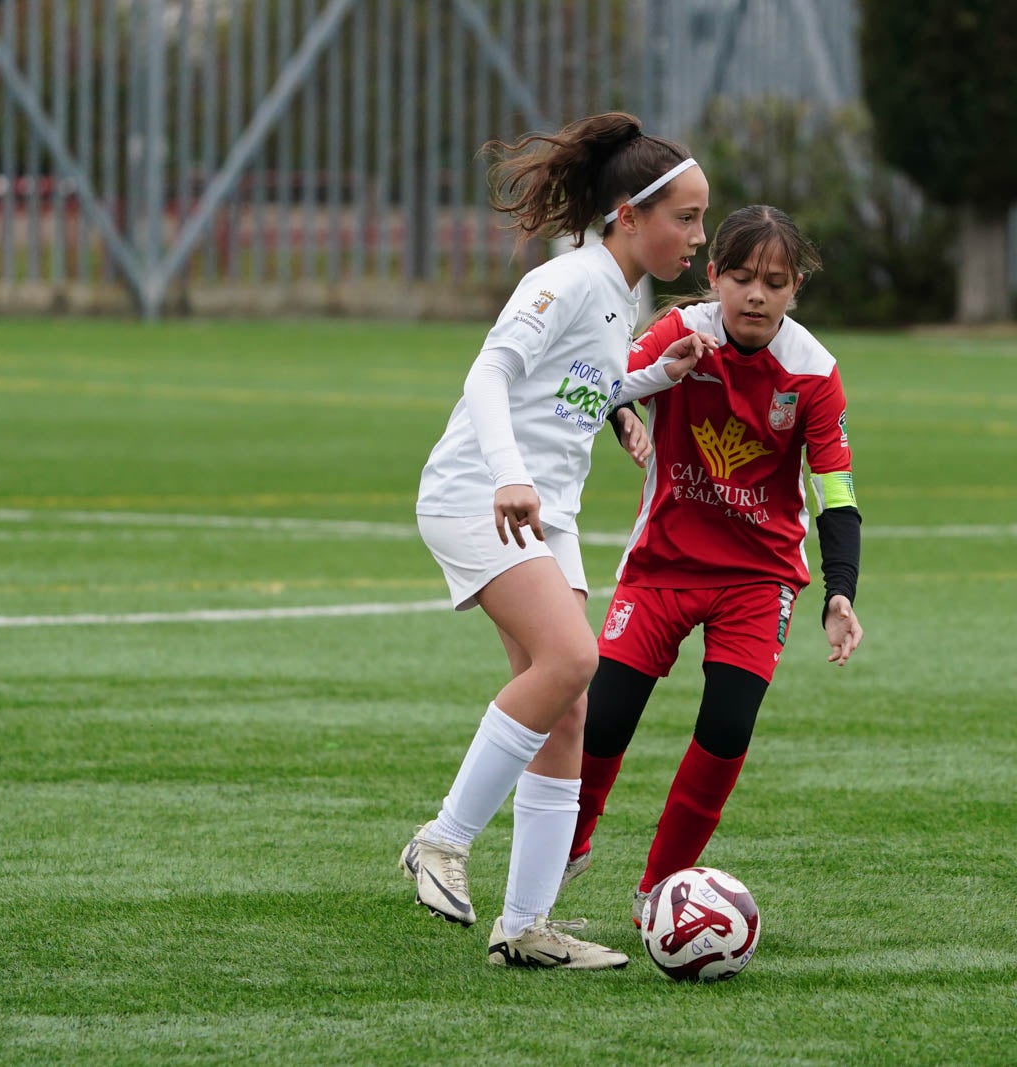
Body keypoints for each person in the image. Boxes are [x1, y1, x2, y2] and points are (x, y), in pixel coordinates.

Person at [401, 111, 717, 968]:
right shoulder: (572, 276)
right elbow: (492, 371)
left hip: (548, 511)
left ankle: (526, 926)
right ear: (627, 214)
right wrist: (508, 474)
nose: (697, 236)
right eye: (684, 218)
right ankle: (441, 839)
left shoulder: (623, 291)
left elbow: (581, 381)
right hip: (483, 494)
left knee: (568, 712)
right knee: (573, 662)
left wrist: (647, 384)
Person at [557, 205, 864, 924]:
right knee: (601, 722)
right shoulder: (681, 334)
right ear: (714, 276)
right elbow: (599, 378)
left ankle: (659, 891)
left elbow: (837, 492)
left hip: (758, 579)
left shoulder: (814, 373)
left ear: (795, 291)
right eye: (744, 277)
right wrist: (628, 414)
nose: (757, 295)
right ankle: (565, 846)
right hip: (661, 563)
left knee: (726, 729)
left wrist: (840, 593)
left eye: (777, 282)